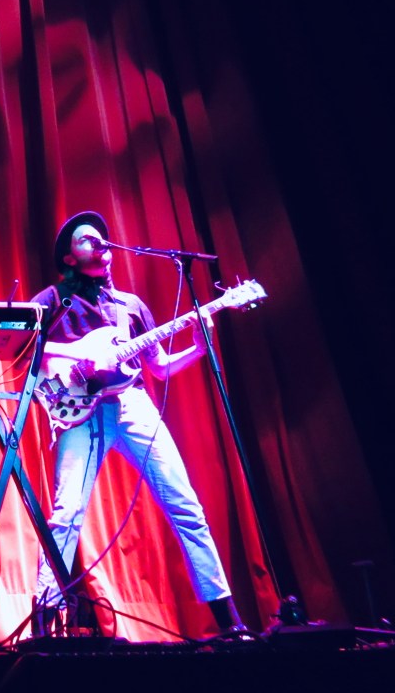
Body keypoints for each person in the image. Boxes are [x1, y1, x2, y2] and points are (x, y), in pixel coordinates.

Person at [30, 210, 245, 638]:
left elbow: (159, 368)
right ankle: (42, 621)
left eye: (102, 238)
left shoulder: (131, 306)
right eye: (87, 240)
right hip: (81, 411)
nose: (100, 244)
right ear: (69, 258)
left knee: (185, 504)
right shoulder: (52, 299)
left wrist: (199, 349)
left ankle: (229, 620)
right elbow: (24, 346)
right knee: (66, 515)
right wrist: (78, 357)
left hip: (133, 405)